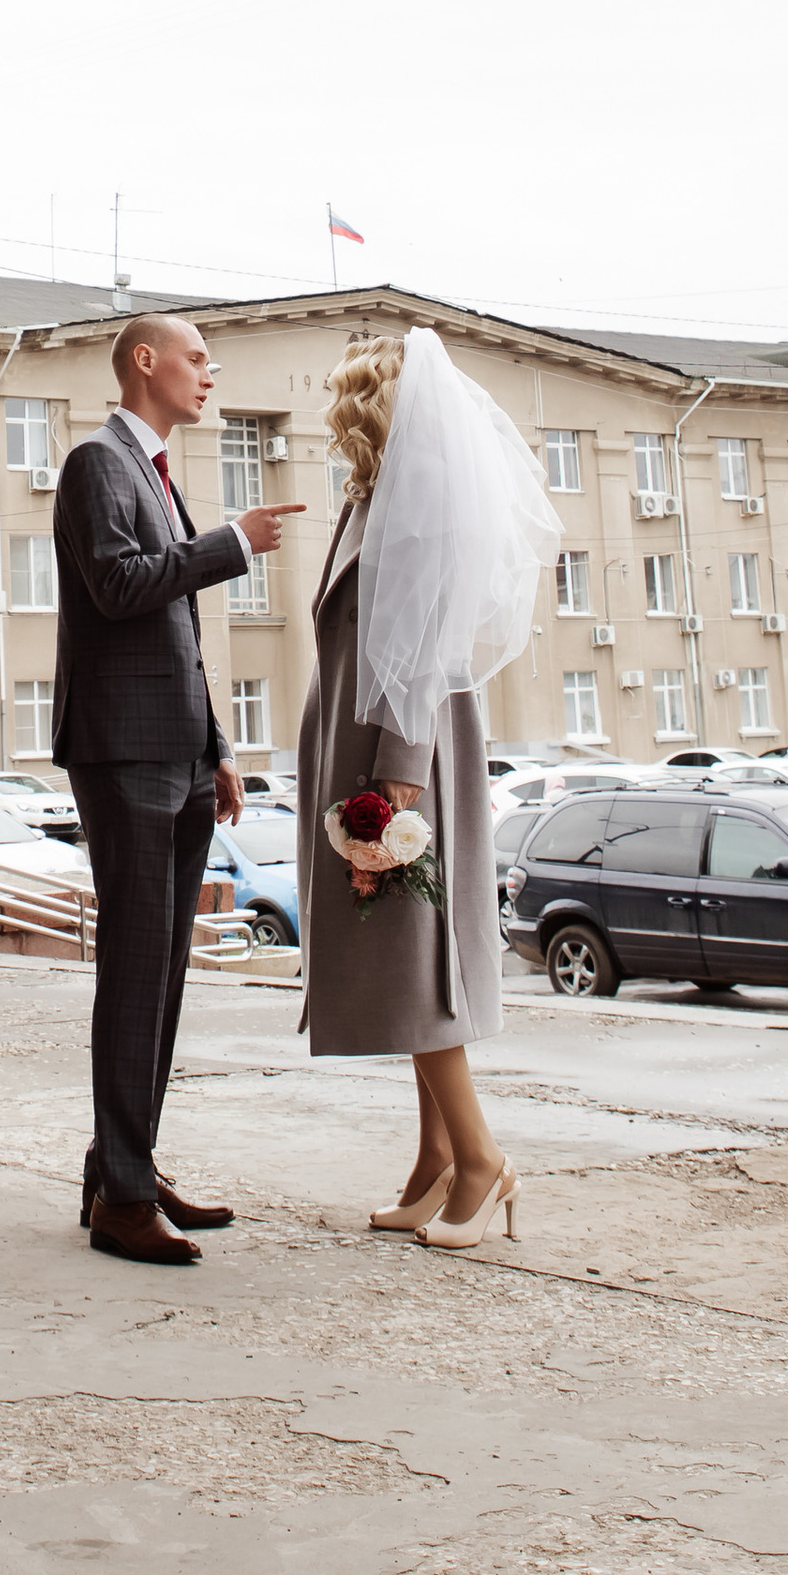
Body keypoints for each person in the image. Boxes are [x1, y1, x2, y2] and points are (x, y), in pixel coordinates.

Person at [298, 328, 559, 1250]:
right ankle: (435, 1159)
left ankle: (482, 1161)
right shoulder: (375, 499)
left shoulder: (421, 507)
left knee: (417, 964)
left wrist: (395, 788)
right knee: (408, 964)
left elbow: (423, 654)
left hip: (402, 762)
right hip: (370, 750)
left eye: (345, 401)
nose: (334, 417)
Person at [52, 312, 301, 1264]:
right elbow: (120, 587)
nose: (210, 373)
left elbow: (177, 633)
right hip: (123, 754)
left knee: (161, 974)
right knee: (134, 972)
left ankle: (124, 1167)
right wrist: (233, 543)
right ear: (145, 362)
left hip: (179, 755)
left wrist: (218, 747)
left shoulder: (155, 470)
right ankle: (121, 1200)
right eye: (198, 358)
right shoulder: (97, 463)